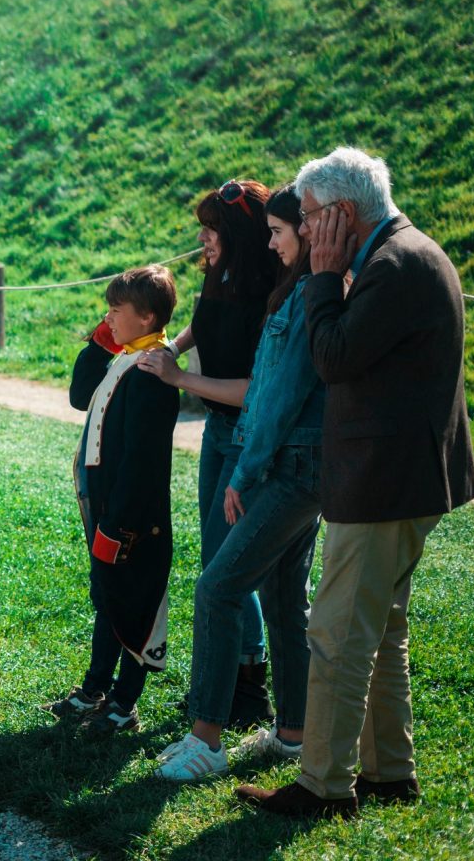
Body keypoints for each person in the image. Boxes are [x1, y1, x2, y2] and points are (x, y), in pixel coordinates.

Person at [238, 147, 474, 818]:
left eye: (312, 218)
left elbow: (334, 357)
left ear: (343, 213)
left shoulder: (393, 265)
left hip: (382, 481)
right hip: (400, 478)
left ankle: (323, 785)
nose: (307, 231)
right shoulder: (402, 254)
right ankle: (388, 773)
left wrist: (319, 281)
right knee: (381, 628)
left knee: (339, 635)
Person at [156, 186, 325, 781]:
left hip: (276, 456)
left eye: (282, 230)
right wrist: (169, 351)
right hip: (262, 450)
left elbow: (268, 394)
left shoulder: (294, 292)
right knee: (277, 593)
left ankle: (210, 733)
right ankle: (293, 733)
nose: (201, 238)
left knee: (219, 585)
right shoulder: (270, 281)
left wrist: (246, 469)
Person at [140, 178, 278, 726]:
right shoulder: (221, 273)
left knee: (227, 567)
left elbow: (254, 391)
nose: (202, 236)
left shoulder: (272, 291)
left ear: (239, 234)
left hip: (248, 437)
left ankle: (248, 685)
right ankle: (229, 682)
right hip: (219, 434)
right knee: (215, 561)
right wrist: (172, 346)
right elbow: (205, 322)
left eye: (212, 228)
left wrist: (179, 378)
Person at [49, 266, 180, 737]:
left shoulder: (152, 371)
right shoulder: (127, 355)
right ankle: (94, 688)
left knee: (133, 603)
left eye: (116, 310)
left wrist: (119, 526)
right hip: (106, 510)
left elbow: (142, 463)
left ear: (146, 317)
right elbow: (80, 396)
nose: (108, 316)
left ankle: (124, 703)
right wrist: (99, 341)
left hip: (129, 519)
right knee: (107, 597)